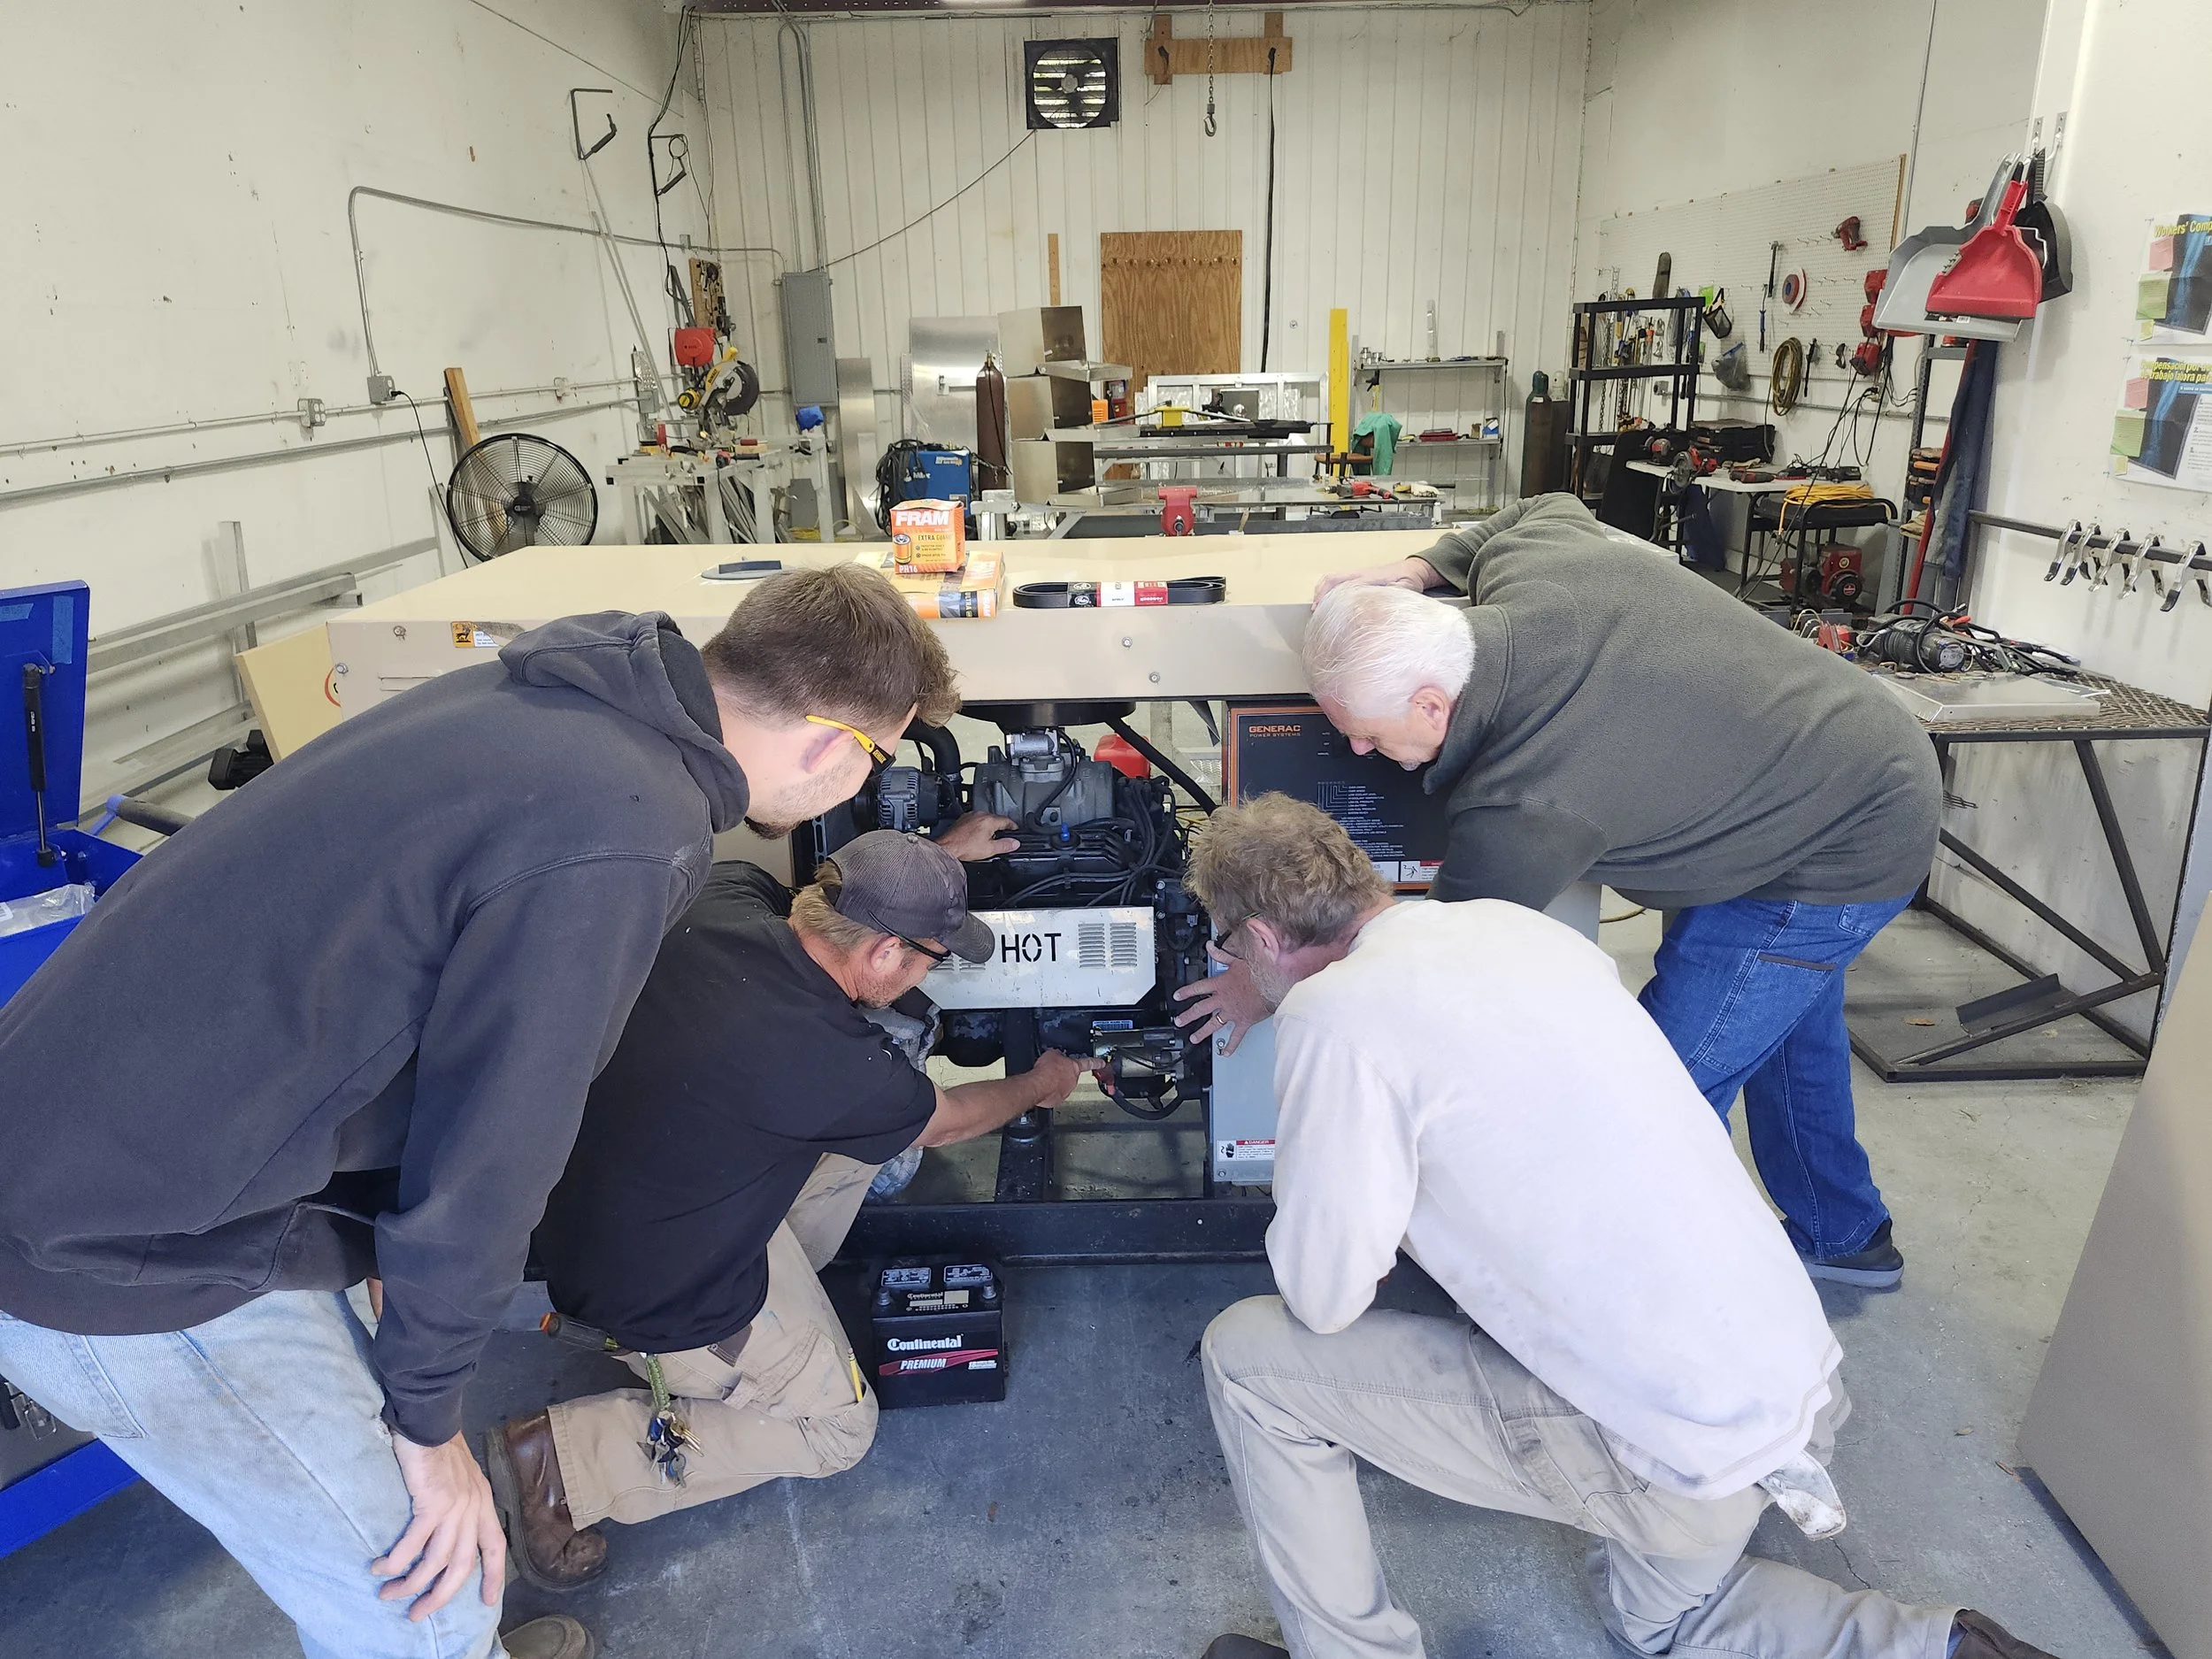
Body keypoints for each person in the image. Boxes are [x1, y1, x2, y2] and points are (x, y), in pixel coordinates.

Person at [0, 565, 957, 1659]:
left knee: (427, 1552)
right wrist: (427, 1420)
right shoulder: (630, 826)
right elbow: (492, 1152)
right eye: (880, 755)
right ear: (838, 745)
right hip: (117, 1235)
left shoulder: (552, 704)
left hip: (149, 1149)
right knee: (419, 1588)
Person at [1182, 795, 2056, 1659]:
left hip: (1658, 1449)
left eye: (1229, 944)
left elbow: (1323, 1296)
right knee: (1665, 1623)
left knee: (1249, 1359)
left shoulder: (1334, 1020)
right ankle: (1941, 1649)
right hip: (1793, 1383)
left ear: (1258, 938)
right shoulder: (1513, 931)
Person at [1179, 493, 1940, 1289]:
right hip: (1824, 761)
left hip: (1840, 837)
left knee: (1655, 1096)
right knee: (1783, 1024)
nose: (1359, 749)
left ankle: (1641, 1304)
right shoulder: (1534, 565)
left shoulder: (1525, 804)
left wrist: (1267, 976)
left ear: (1432, 702)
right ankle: (1846, 1233)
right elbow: (1545, 504)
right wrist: (1415, 569)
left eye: (1366, 732)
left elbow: (1419, 967)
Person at [484, 831, 1100, 1588]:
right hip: (662, 1295)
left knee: (860, 1143)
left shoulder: (725, 899)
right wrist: (1042, 1083)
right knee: (839, 1431)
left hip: (590, 1204)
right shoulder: (828, 1058)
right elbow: (952, 1118)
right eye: (930, 955)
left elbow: (859, 898)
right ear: (882, 954)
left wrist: (931, 867)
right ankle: (564, 1461)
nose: (927, 970)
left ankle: (760, 1350)